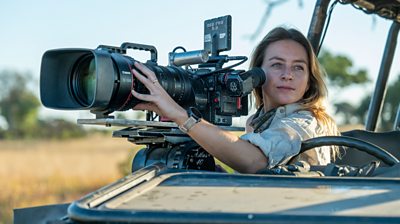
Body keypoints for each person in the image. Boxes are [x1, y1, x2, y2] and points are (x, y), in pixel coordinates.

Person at [130, 26, 339, 174]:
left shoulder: (305, 121)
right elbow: (263, 181)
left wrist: (179, 115)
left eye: (298, 67)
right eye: (277, 65)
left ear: (309, 81)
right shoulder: (258, 121)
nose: (288, 74)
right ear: (257, 74)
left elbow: (255, 163)